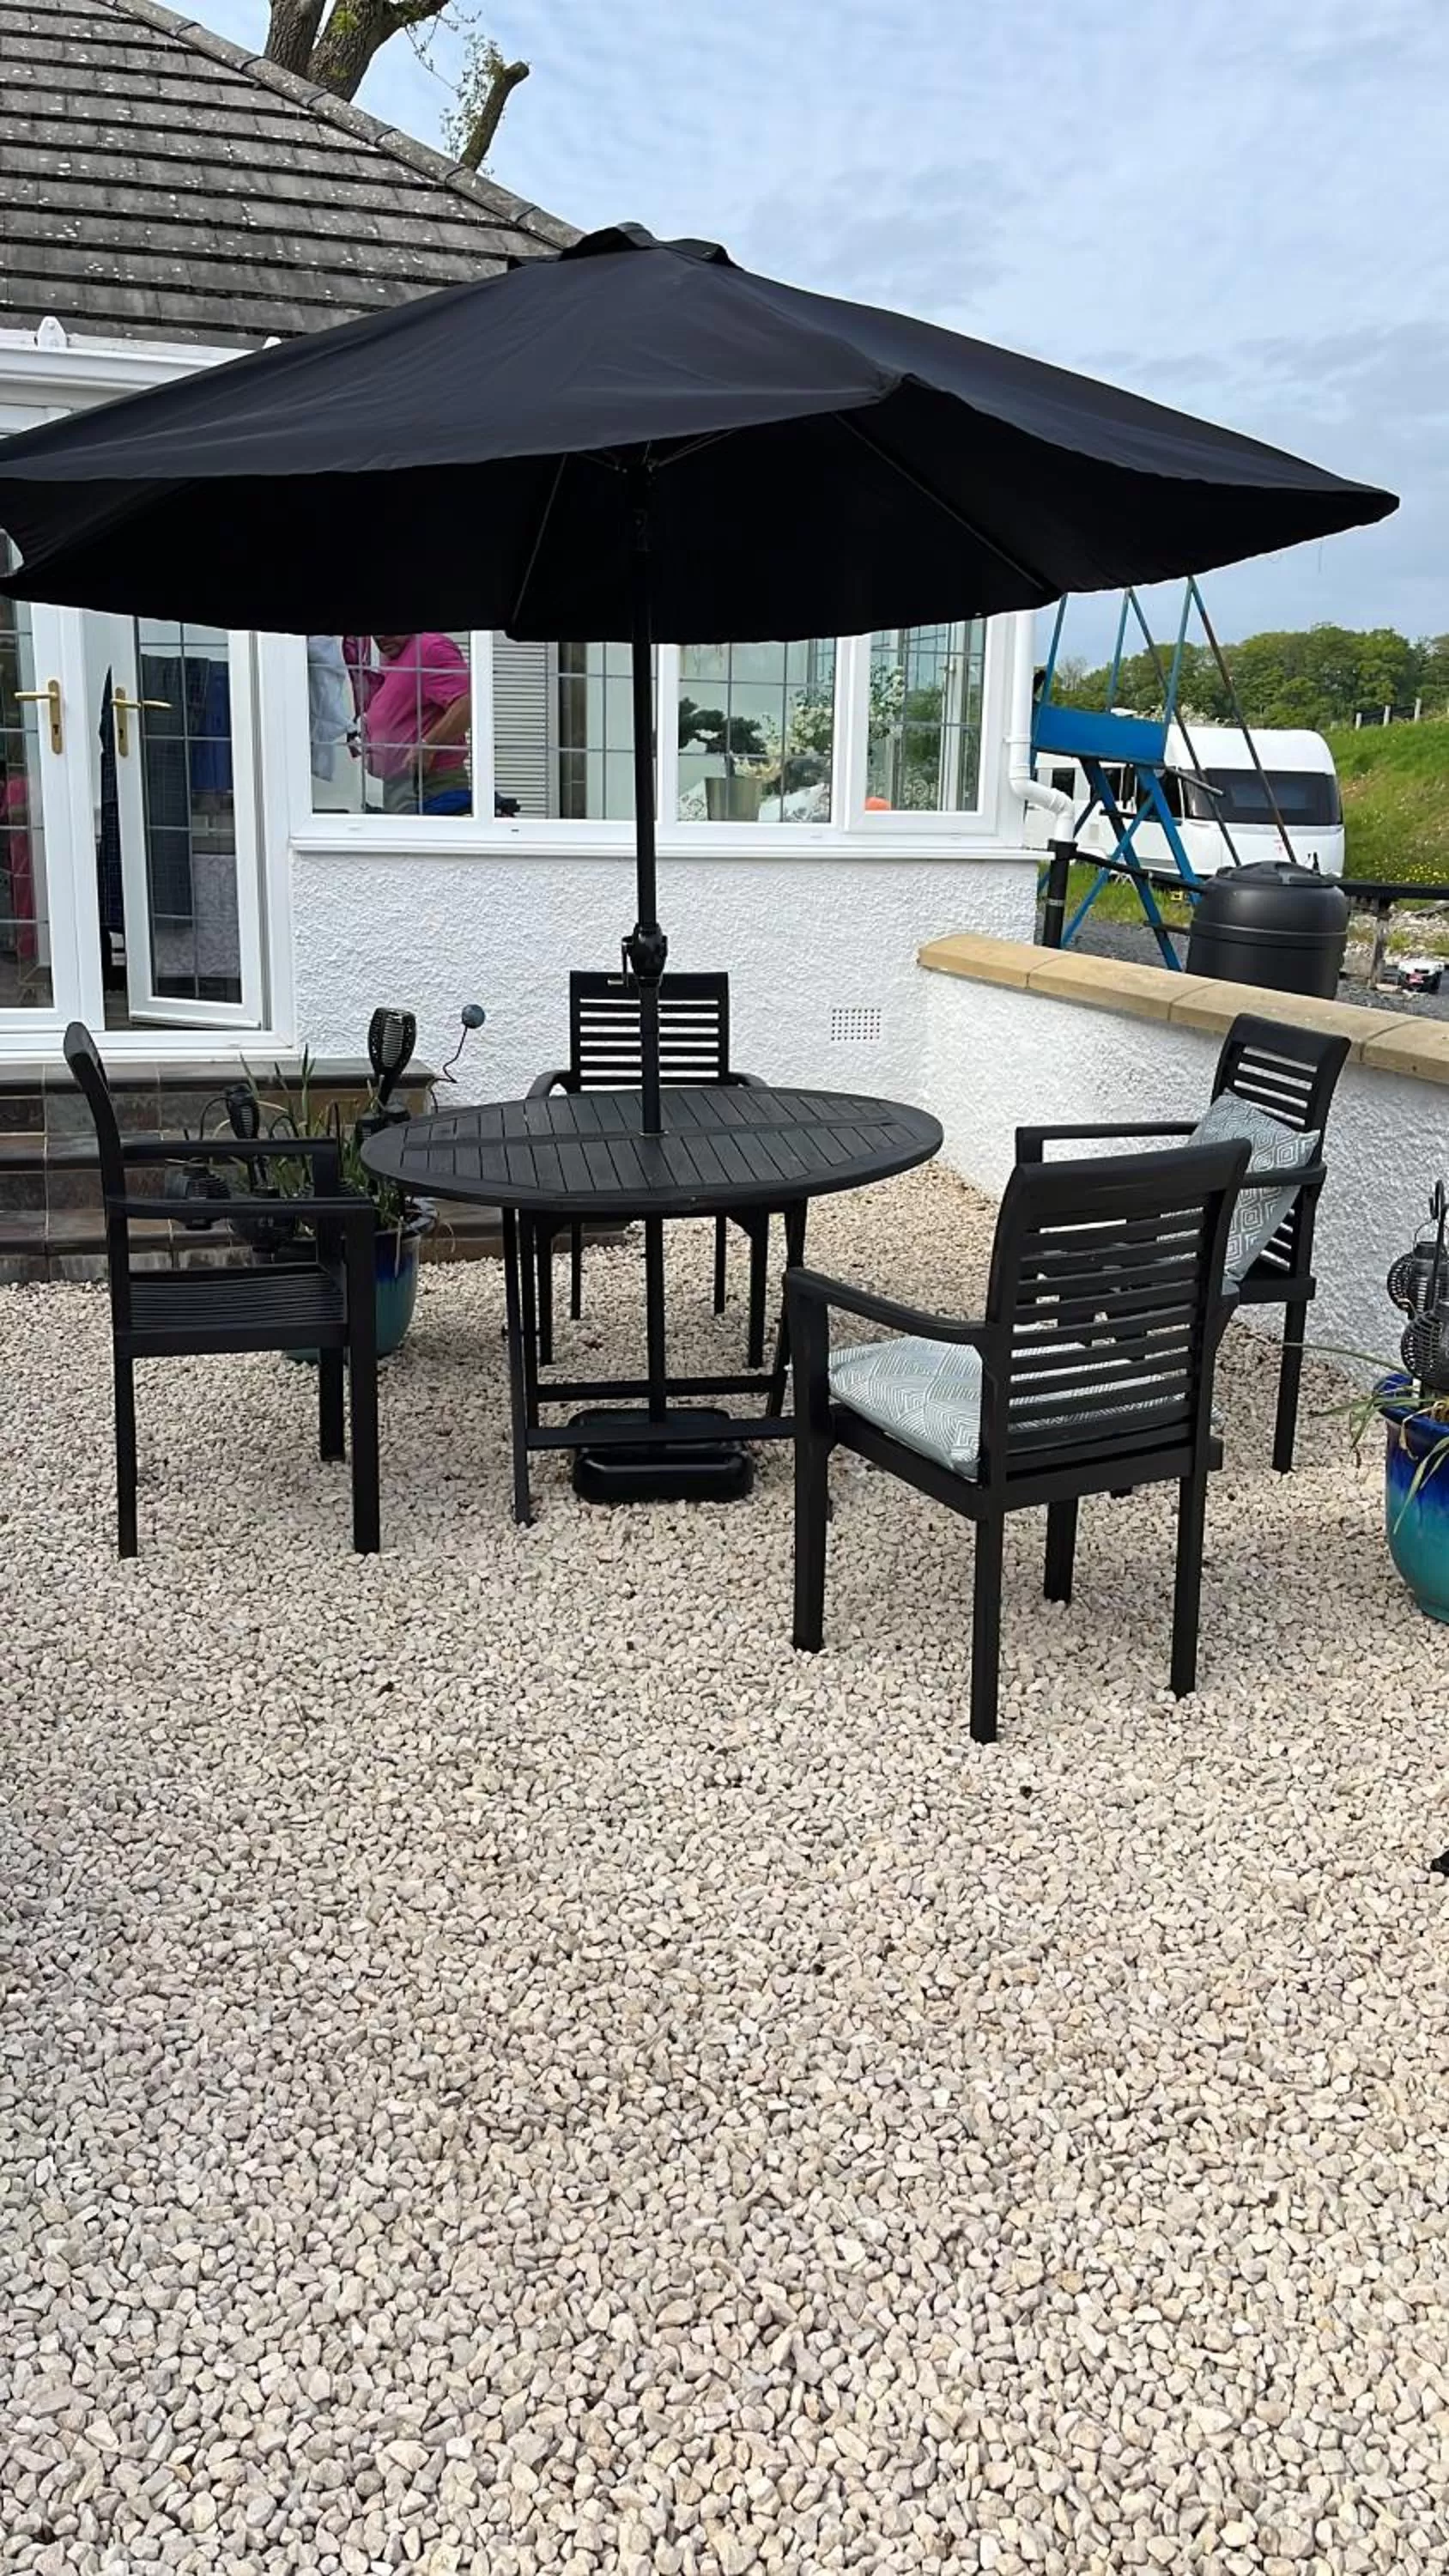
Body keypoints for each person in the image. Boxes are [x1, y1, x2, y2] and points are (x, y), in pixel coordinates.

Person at [360, 632, 471, 815]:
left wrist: (428, 746)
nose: (380, 637)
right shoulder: (391, 655)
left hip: (430, 784)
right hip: (400, 785)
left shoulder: (430, 649)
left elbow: (467, 704)